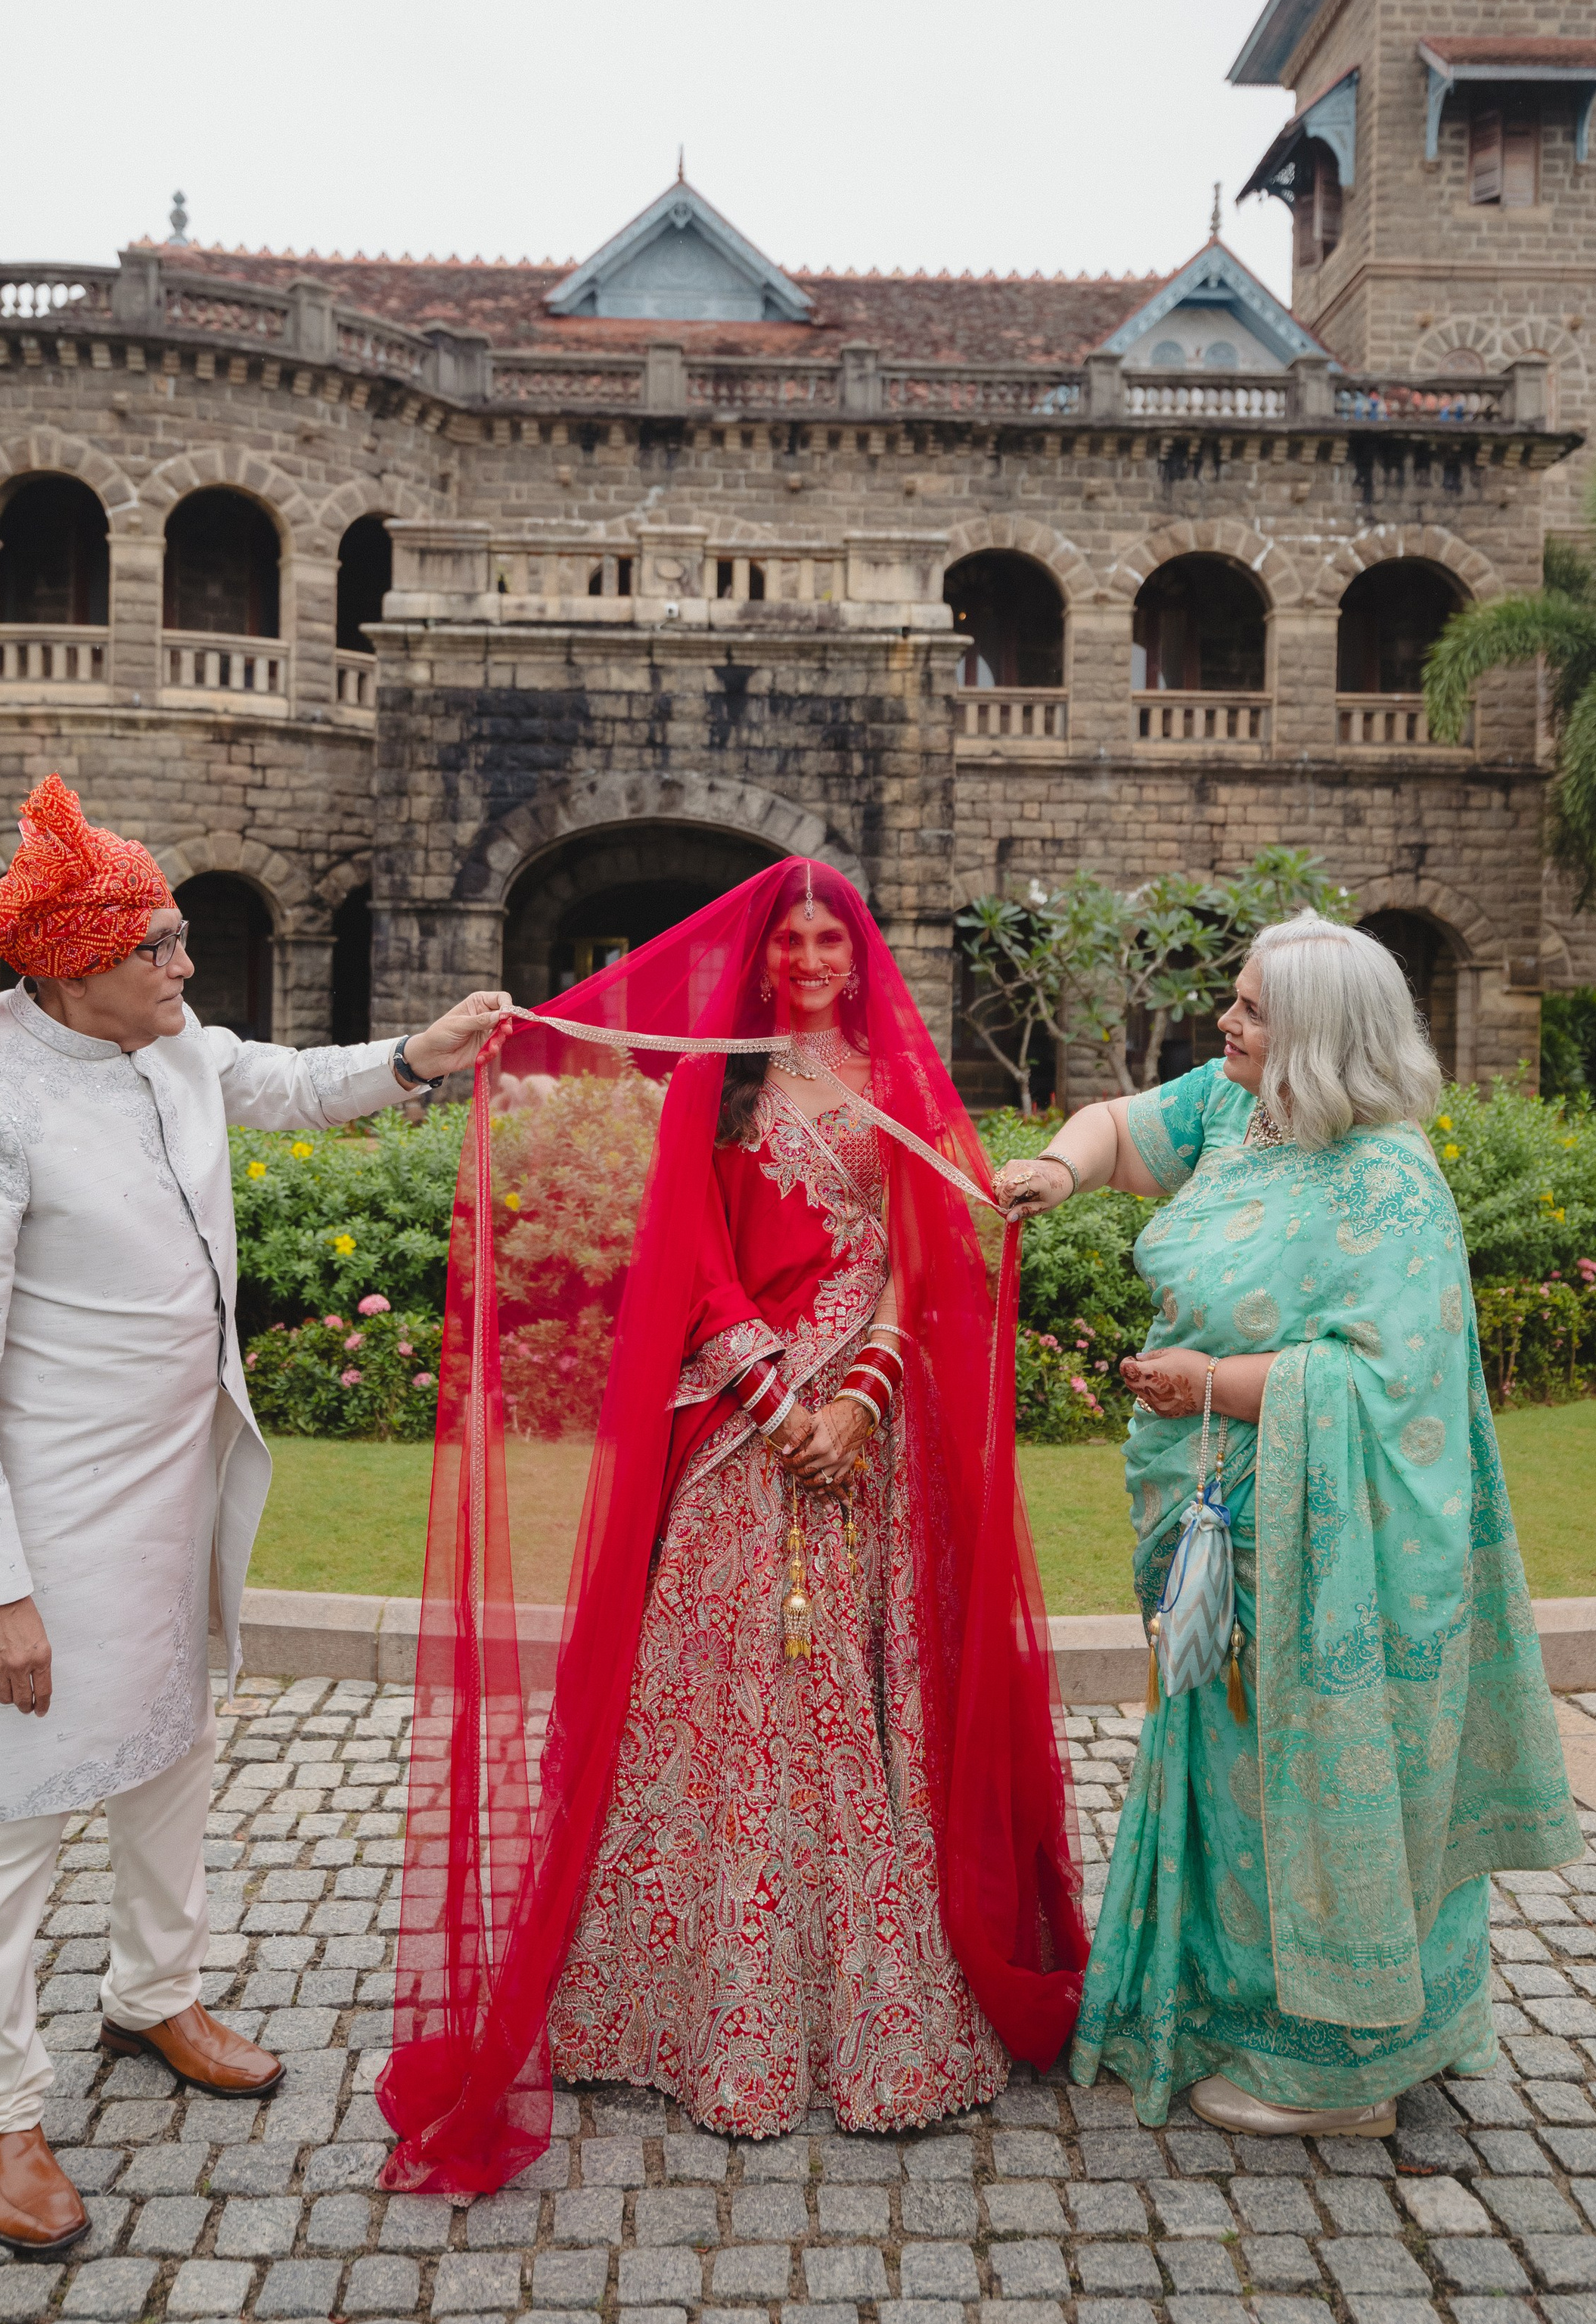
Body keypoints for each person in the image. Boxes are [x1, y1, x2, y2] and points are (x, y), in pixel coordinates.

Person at [379, 859, 1088, 2192]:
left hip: (870, 1436)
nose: (813, 957)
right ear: (761, 956)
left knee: (858, 1701)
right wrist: (775, 1398)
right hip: (740, 1414)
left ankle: (875, 2010)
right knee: (724, 1695)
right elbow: (691, 1257)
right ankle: (680, 2010)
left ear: (859, 951)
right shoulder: (721, 1075)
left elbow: (925, 1254)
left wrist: (864, 1397)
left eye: (833, 936)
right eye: (793, 938)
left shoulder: (900, 1082)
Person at [0, 774, 511, 2255]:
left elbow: (282, 1083)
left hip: (176, 1497)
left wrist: (417, 1057)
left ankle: (156, 1992)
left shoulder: (164, 1047)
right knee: (8, 1815)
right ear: (70, 963)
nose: (186, 965)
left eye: (178, 939)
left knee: (170, 1754)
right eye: (158, 945)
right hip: (45, 1531)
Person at [994, 911, 1579, 2138]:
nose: (1228, 1019)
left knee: (1302, 1773)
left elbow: (1388, 1390)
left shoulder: (1386, 1177)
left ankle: (1339, 2066)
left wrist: (1208, 1379)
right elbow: (1115, 1127)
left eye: (1253, 1007)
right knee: (1227, 1767)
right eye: (1237, 998)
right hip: (1220, 1522)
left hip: (1332, 1544)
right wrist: (1057, 1164)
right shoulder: (1232, 1106)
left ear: (1317, 1033)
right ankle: (1229, 2009)